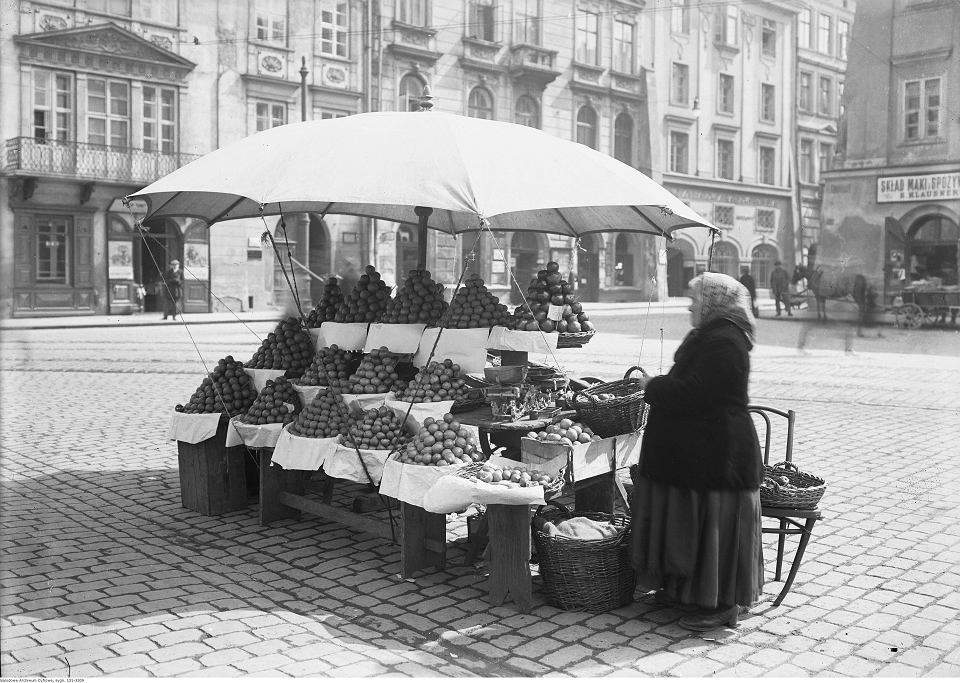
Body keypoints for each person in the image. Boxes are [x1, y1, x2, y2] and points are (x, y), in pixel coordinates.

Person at [629, 272, 763, 631]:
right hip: (697, 452)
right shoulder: (712, 334)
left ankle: (720, 604)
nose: (690, 304)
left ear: (713, 303)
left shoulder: (726, 340)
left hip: (718, 455)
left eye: (695, 298)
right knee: (692, 527)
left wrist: (653, 387)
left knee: (711, 530)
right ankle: (687, 591)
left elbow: (698, 393)